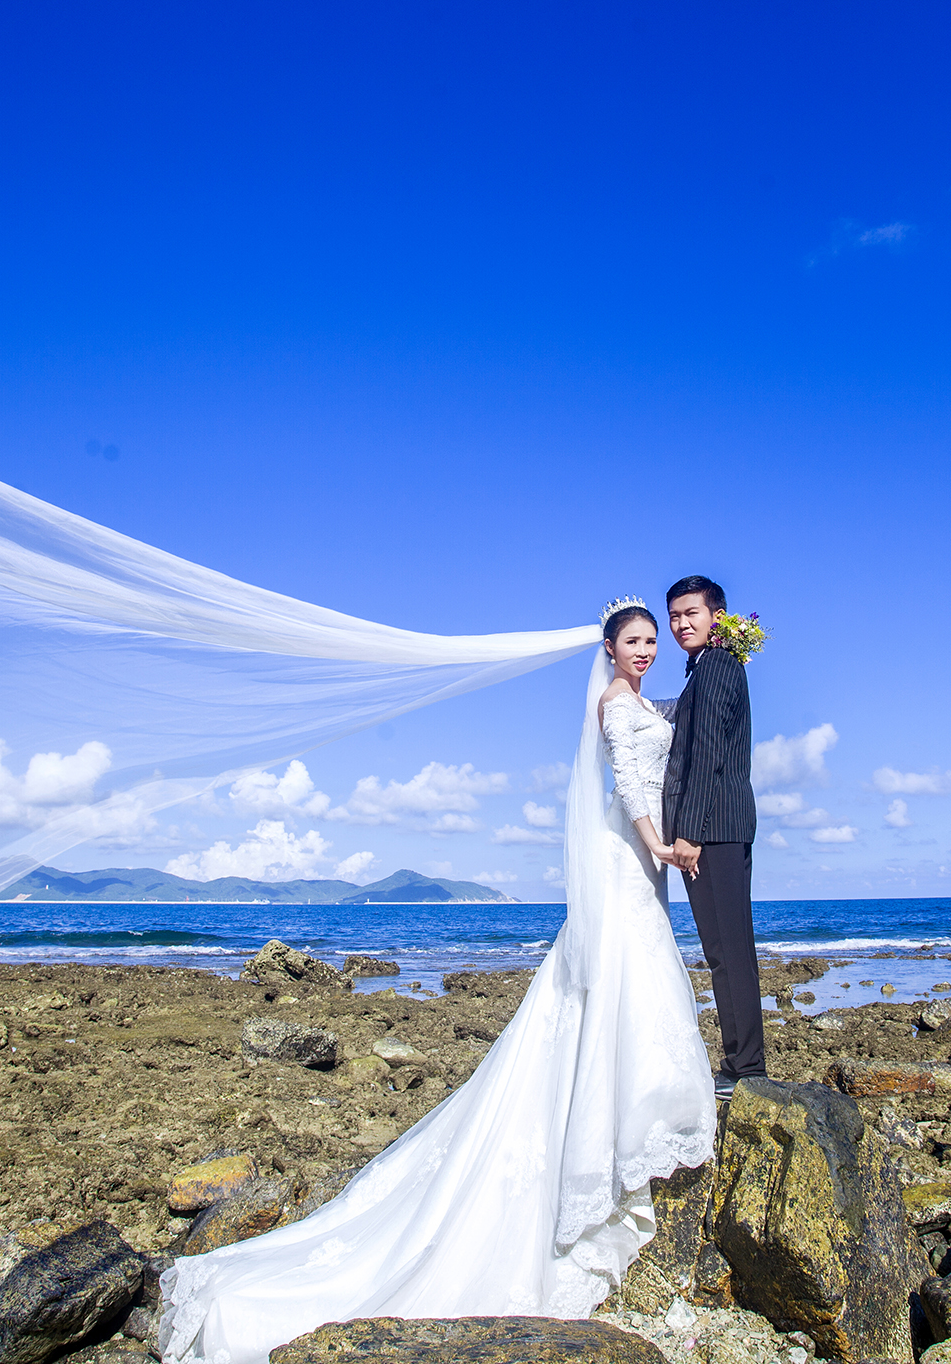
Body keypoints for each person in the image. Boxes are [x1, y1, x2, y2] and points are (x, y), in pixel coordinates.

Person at [155, 599, 715, 1364]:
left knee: (626, 986)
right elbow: (630, 784)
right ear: (610, 649)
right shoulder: (617, 705)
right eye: (635, 641)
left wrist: (724, 656)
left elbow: (684, 728)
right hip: (633, 858)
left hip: (642, 867)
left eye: (653, 640)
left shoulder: (650, 702)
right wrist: (664, 849)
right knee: (621, 978)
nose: (646, 650)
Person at [660, 575, 763, 1097]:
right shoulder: (708, 666)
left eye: (691, 613)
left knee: (727, 952)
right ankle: (743, 1063)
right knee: (727, 950)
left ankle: (746, 1068)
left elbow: (706, 757)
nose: (681, 624)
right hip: (718, 828)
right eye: (674, 616)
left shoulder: (718, 664)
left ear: (716, 617)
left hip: (714, 830)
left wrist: (689, 834)